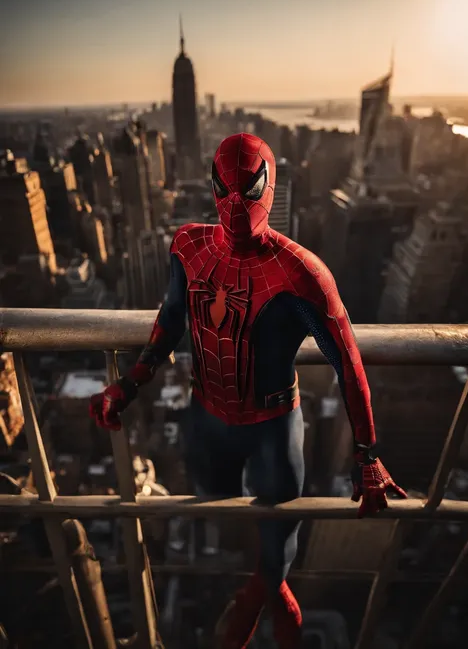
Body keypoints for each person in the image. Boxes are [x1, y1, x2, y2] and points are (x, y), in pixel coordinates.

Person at [90, 133, 406, 649]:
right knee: (244, 542)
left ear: (269, 187)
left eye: (249, 188)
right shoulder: (188, 247)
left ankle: (244, 631)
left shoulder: (301, 273)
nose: (237, 203)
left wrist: (367, 455)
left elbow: (348, 364)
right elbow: (170, 324)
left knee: (275, 557)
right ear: (212, 188)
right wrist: (126, 386)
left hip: (272, 426)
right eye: (225, 189)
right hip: (207, 417)